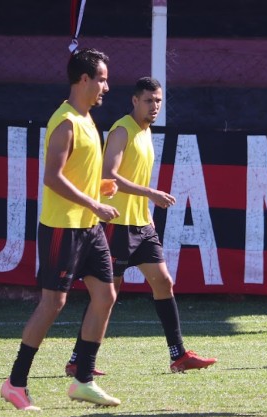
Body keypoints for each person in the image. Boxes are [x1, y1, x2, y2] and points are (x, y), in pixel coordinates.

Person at [64, 77, 216, 377]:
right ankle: (78, 360)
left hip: (142, 225)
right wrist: (150, 193)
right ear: (134, 101)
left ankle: (178, 355)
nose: (154, 106)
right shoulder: (122, 130)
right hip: (117, 225)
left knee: (163, 282)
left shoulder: (146, 132)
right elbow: (108, 175)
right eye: (148, 100)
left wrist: (146, 209)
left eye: (158, 101)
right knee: (106, 294)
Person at [1, 48, 121, 410]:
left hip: (89, 226)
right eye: (101, 79)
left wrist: (99, 189)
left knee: (106, 295)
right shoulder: (66, 121)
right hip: (63, 227)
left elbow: (75, 174)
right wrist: (94, 204)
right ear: (83, 79)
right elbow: (52, 178)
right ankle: (15, 383)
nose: (106, 86)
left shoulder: (87, 118)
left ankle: (83, 381)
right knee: (53, 303)